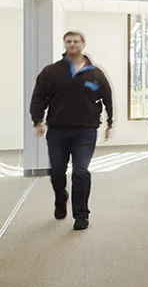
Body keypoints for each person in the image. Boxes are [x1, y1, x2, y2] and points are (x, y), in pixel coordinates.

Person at [30, 30, 113, 230]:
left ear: (83, 44)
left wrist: (110, 122)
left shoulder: (96, 73)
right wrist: (37, 120)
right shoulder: (51, 72)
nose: (72, 44)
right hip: (58, 130)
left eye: (76, 41)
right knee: (57, 172)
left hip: (86, 130)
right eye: (69, 41)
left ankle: (81, 215)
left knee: (81, 171)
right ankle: (61, 198)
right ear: (65, 44)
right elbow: (39, 96)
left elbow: (107, 98)